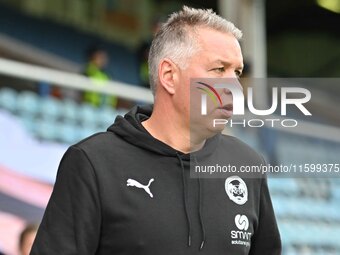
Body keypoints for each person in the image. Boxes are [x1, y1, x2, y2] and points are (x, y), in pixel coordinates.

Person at [31, 6, 281, 255]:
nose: (234, 87)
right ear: (169, 75)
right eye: (218, 69)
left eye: (236, 72)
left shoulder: (247, 164)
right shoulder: (93, 163)